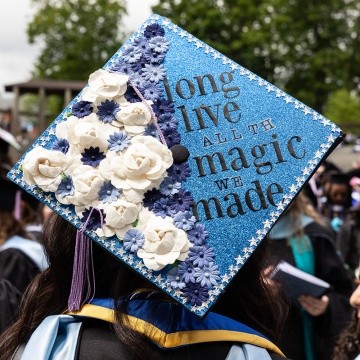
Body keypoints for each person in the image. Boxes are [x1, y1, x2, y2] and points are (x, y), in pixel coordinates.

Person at [268, 192, 354, 360]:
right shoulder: (240, 245)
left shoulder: (314, 235)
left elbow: (345, 295)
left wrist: (326, 306)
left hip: (305, 342)